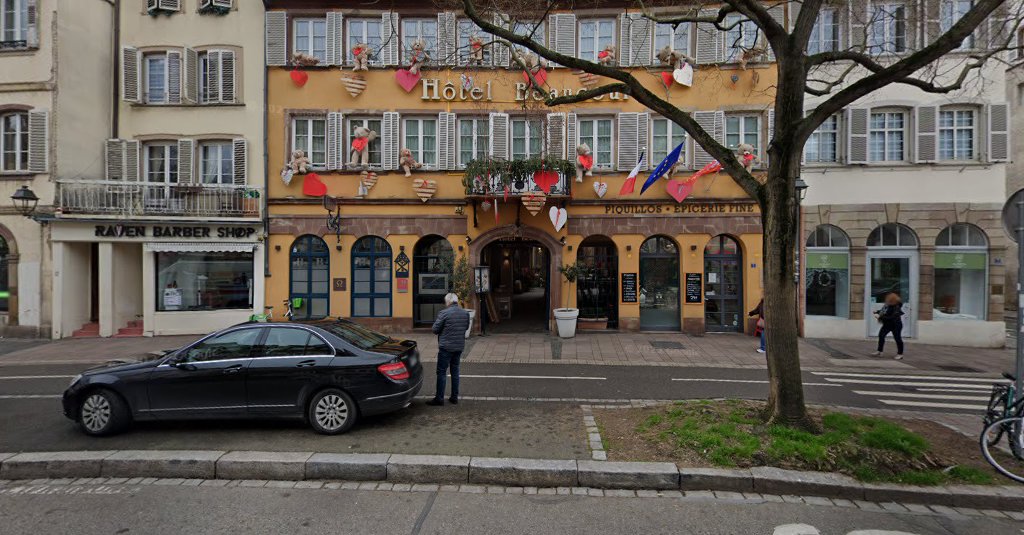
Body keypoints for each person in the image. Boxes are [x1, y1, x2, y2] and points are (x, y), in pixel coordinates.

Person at [428, 292, 471, 406]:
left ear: (448, 302)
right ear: (456, 301)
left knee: (441, 372)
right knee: (455, 371)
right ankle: (454, 397)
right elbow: (466, 327)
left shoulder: (444, 313)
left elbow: (435, 329)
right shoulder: (464, 313)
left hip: (445, 348)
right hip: (458, 347)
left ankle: (439, 398)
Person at [873, 292, 905, 360]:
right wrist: (877, 312)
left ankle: (900, 354)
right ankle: (879, 351)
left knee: (898, 338)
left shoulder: (897, 307)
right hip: (887, 324)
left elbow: (892, 317)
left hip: (896, 325)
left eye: (888, 298)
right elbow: (884, 311)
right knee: (881, 335)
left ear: (892, 299)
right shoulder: (887, 305)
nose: (886, 299)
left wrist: (880, 317)